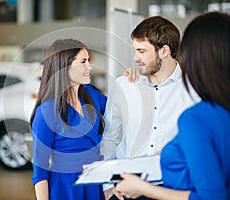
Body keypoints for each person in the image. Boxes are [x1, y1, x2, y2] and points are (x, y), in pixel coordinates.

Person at [115, 11, 230, 200]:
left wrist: (143, 188)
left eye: (141, 51)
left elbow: (211, 196)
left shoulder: (196, 116)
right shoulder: (220, 111)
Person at [100, 16, 200, 200]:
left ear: (164, 51)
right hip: (126, 189)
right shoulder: (124, 86)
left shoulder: (193, 88)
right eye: (135, 50)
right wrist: (107, 184)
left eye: (141, 51)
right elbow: (109, 137)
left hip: (175, 188)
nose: (135, 58)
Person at [30, 39, 107, 200]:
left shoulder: (93, 96)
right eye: (83, 62)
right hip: (65, 188)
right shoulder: (46, 112)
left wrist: (132, 80)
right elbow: (40, 174)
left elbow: (122, 112)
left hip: (96, 184)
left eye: (89, 61)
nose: (89, 67)